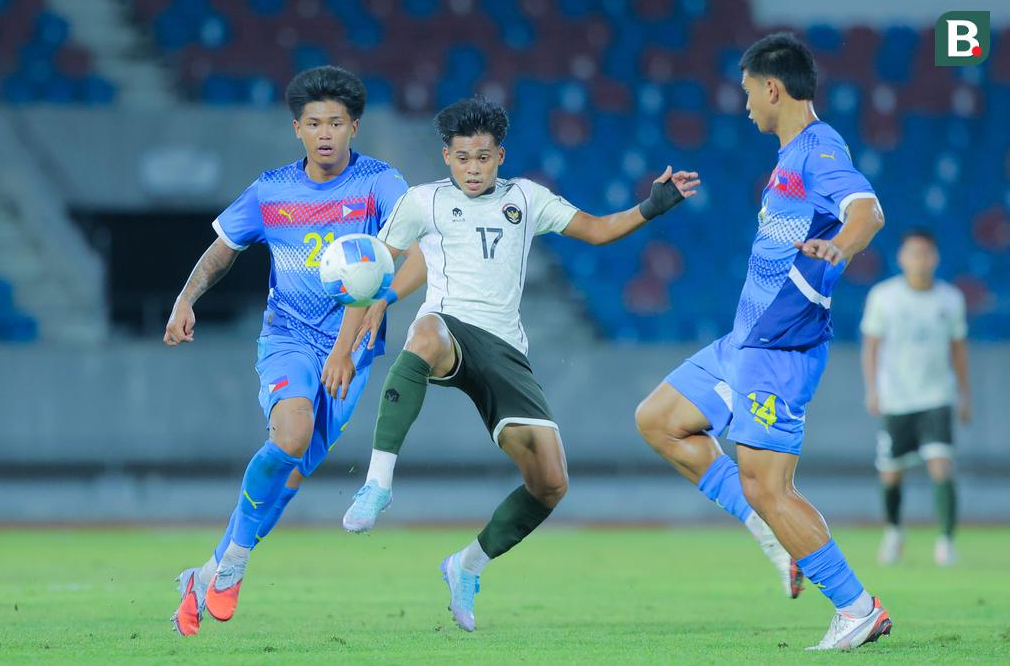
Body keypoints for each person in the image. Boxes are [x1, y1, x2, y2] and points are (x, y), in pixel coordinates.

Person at [332, 96, 699, 631]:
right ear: (446, 157)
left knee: (550, 483)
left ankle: (466, 565)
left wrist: (651, 207)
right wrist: (345, 346)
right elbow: (370, 275)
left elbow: (595, 230)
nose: (473, 169)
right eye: (462, 158)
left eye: (482, 157)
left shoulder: (526, 199)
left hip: (505, 349)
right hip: (450, 328)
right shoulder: (422, 202)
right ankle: (378, 483)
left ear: (500, 155)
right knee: (425, 332)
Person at [633, 33, 892, 650]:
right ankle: (771, 530)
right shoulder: (791, 156)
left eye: (748, 91)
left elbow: (868, 211)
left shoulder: (818, 149)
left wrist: (842, 246)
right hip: (744, 341)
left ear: (772, 88)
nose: (745, 103)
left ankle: (857, 607)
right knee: (661, 420)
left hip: (780, 350)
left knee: (769, 485)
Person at [165, 65, 414, 636]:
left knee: (291, 474)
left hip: (352, 352)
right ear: (296, 129)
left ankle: (209, 572)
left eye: (336, 122)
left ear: (355, 126)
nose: (325, 133)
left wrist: (374, 312)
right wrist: (185, 298)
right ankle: (234, 565)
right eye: (312, 123)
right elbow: (224, 249)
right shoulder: (271, 190)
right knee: (292, 435)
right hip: (289, 339)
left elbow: (410, 244)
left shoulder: (380, 184)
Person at [861, 229, 969, 566]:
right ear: (902, 258)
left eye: (925, 254)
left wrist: (964, 394)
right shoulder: (884, 297)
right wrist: (872, 388)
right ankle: (894, 532)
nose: (919, 260)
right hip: (897, 398)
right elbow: (871, 346)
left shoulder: (950, 299)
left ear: (934, 258)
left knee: (941, 466)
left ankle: (946, 541)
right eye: (913, 253)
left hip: (936, 396)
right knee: (891, 474)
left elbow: (958, 348)